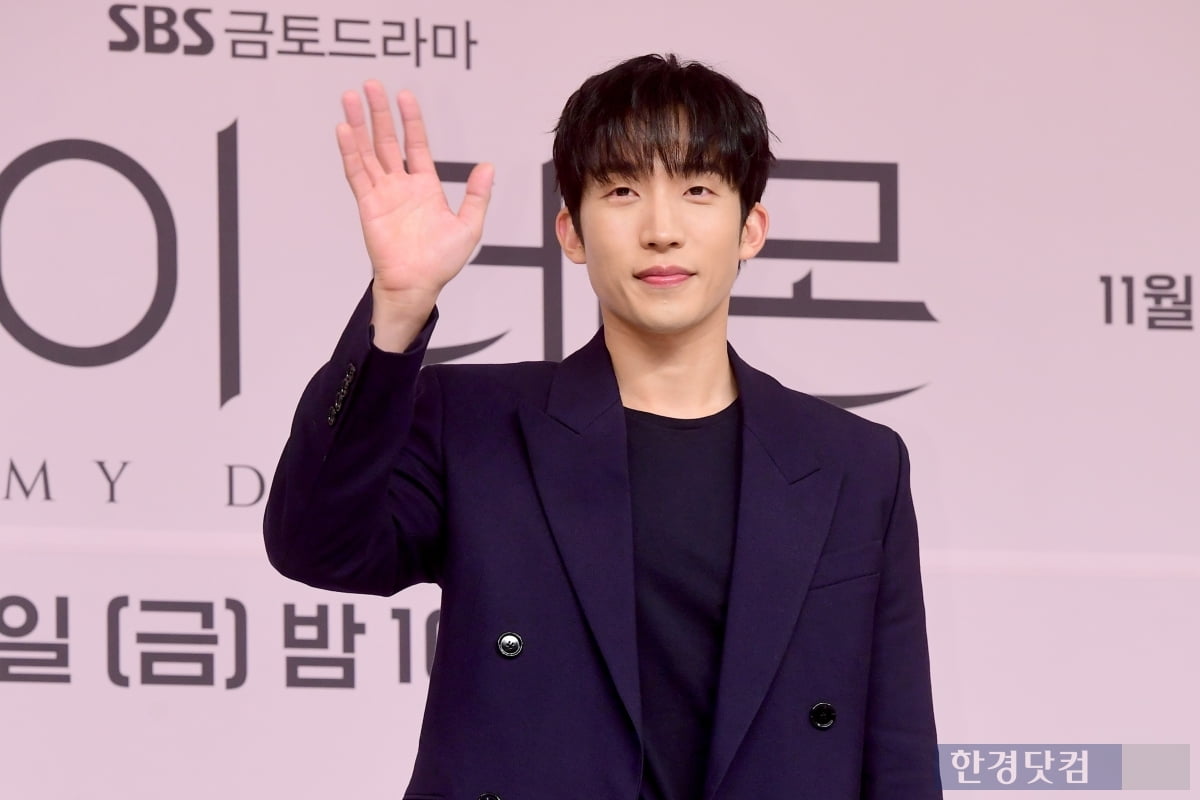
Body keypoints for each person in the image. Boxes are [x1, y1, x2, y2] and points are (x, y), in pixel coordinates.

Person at [264, 53, 941, 800]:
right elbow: (315, 544)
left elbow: (898, 747)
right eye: (622, 190)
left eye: (697, 190)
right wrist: (398, 305)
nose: (661, 230)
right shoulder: (476, 422)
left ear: (750, 228)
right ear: (572, 232)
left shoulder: (855, 464)